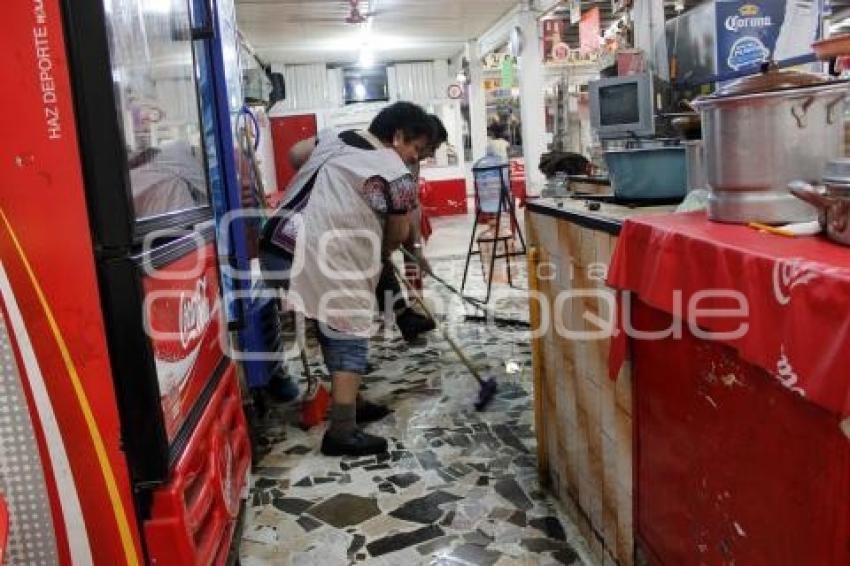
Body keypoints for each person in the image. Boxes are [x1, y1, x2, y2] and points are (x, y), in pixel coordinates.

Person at [259, 102, 433, 457]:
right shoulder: (394, 171)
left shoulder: (335, 135)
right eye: (416, 149)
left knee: (331, 323)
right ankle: (342, 431)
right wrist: (381, 257)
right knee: (351, 332)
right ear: (397, 135)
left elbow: (295, 154)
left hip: (276, 241)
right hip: (319, 252)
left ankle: (350, 400)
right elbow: (398, 233)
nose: (415, 159)